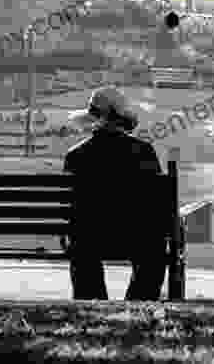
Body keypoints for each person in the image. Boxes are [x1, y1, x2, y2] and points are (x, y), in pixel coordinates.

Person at [63, 86, 166, 301]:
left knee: (80, 244)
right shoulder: (144, 152)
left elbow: (70, 209)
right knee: (153, 252)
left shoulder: (76, 156)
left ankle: (92, 303)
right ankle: (138, 304)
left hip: (89, 238)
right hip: (136, 238)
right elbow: (158, 206)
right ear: (121, 119)